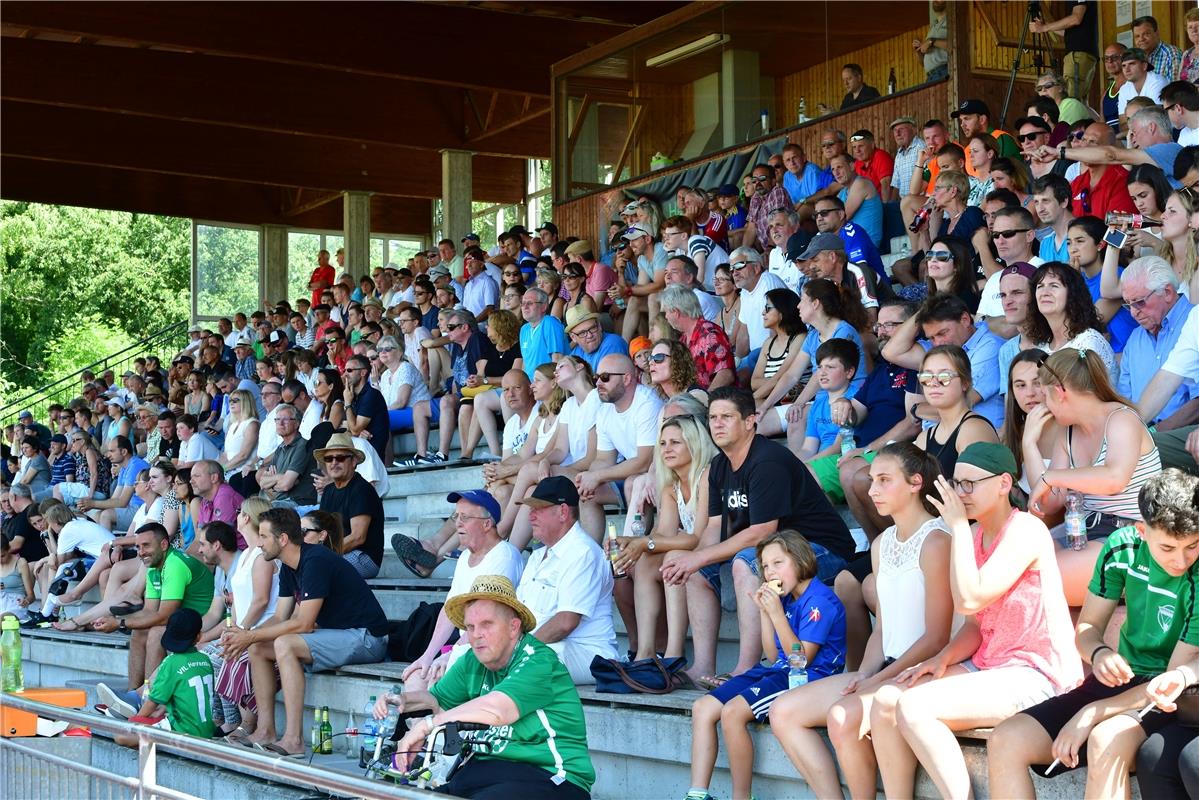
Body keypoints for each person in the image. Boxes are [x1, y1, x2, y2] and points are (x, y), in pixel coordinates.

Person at [870, 442, 1082, 799]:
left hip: (1037, 671)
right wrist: (942, 659)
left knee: (913, 706)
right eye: (956, 483)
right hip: (989, 664)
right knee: (886, 699)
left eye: (971, 484)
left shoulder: (1027, 530)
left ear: (1003, 484)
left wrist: (954, 526)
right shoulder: (971, 535)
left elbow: (970, 597)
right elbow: (972, 623)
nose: (960, 493)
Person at [990, 468, 1199, 799]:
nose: (1181, 560)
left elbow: (1171, 682)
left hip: (1173, 693)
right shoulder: (1121, 548)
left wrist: (1090, 714)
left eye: (1192, 546)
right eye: (1168, 547)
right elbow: (1086, 630)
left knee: (1105, 740)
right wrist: (1100, 654)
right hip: (1122, 680)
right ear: (1141, 530)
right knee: (1006, 739)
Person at [770, 443, 953, 800]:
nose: (872, 491)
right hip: (886, 666)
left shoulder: (936, 539)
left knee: (841, 717)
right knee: (783, 711)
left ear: (916, 483)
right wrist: (866, 674)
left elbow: (936, 637)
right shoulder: (882, 543)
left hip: (922, 670)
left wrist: (877, 678)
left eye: (884, 480)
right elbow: (883, 628)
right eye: (872, 480)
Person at [661, 386, 854, 684]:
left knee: (747, 561)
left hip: (822, 550)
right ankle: (702, 666)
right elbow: (714, 526)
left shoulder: (767, 460)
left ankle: (746, 669)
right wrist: (694, 560)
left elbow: (761, 533)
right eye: (713, 417)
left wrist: (697, 557)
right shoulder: (719, 466)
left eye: (727, 417)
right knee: (697, 571)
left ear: (750, 421)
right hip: (776, 552)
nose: (718, 424)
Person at [374, 574, 595, 799]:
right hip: (491, 770)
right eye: (470, 627)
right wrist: (403, 700)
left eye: (486, 625)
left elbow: (499, 709)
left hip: (554, 777)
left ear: (513, 627)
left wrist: (426, 726)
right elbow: (436, 700)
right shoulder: (473, 659)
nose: (476, 635)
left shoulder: (539, 660)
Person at [686, 531, 846, 800]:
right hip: (779, 670)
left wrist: (774, 614)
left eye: (778, 563)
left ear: (800, 560)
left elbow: (799, 660)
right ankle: (697, 794)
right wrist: (764, 612)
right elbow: (774, 656)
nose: (769, 572)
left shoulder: (819, 601)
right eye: (765, 566)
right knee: (702, 707)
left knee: (732, 712)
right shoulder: (786, 598)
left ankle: (742, 796)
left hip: (808, 677)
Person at [221, 507, 388, 757]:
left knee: (284, 644)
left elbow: (304, 624)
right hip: (340, 635)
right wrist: (244, 635)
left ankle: (294, 739)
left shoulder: (316, 559)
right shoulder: (290, 564)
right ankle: (266, 729)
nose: (259, 543)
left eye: (264, 536)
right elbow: (281, 616)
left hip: (367, 638)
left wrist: (251, 634)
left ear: (283, 539)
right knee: (257, 648)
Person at [1025, 348, 1162, 606]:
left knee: (1038, 582)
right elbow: (1048, 503)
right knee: (1017, 557)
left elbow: (1114, 478)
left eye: (1046, 397)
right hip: (1085, 531)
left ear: (1060, 393)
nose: (1045, 406)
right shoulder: (1067, 433)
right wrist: (1029, 445)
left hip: (1131, 536)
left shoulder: (1121, 419)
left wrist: (1052, 477)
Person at [403, 490, 523, 692]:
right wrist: (428, 656)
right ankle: (422, 724)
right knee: (416, 678)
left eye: (465, 517)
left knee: (437, 682)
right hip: (468, 646)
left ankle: (433, 724)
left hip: (493, 648)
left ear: (486, 524)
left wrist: (452, 655)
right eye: (456, 516)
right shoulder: (466, 557)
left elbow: (486, 619)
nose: (458, 523)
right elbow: (450, 609)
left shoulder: (504, 556)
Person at [92, 522, 215, 698]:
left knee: (157, 632)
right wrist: (112, 620)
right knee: (139, 631)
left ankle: (149, 697)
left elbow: (164, 617)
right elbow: (150, 610)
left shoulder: (174, 565)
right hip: (184, 620)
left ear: (164, 545)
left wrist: (119, 623)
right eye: (138, 547)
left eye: (146, 545)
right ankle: (132, 694)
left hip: (205, 621)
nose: (141, 552)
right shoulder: (154, 567)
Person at [514, 476, 618, 684]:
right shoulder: (536, 556)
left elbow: (565, 623)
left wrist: (517, 649)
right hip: (544, 646)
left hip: (587, 653)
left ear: (562, 512)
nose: (531, 516)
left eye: (538, 509)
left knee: (534, 660)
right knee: (471, 654)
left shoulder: (583, 552)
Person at [572, 354, 663, 541]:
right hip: (634, 474)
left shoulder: (647, 403)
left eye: (605, 377)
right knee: (588, 493)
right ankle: (592, 557)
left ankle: (630, 552)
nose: (598, 383)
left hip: (658, 473)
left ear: (627, 378)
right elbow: (604, 459)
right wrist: (589, 479)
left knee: (633, 482)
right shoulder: (605, 409)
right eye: (596, 378)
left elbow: (644, 461)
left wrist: (597, 476)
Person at [883, 292, 1006, 429]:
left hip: (977, 440)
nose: (938, 343)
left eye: (942, 333)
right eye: (932, 338)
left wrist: (917, 409)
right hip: (942, 437)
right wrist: (926, 309)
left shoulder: (990, 346)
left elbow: (960, 404)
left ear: (965, 319)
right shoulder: (944, 347)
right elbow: (891, 352)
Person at [1115, 257, 1196, 423]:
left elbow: (1197, 405)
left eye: (1139, 302)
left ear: (1167, 292)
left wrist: (1153, 434)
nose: (1133, 312)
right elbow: (1124, 400)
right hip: (1141, 431)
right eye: (1128, 304)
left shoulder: (1193, 321)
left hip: (1183, 438)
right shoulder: (1135, 338)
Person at [913, 345, 1000, 477]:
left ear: (965, 382)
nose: (934, 383)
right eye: (927, 377)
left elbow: (974, 493)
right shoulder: (923, 438)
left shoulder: (974, 429)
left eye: (944, 377)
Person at [1027, 261, 1117, 380]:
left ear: (1072, 294)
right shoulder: (1040, 347)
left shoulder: (1088, 341)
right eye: (1040, 286)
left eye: (1054, 285)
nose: (1044, 292)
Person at [315, 432, 384, 580]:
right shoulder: (328, 491)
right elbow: (321, 530)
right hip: (338, 552)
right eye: (328, 459)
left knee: (317, 567)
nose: (334, 463)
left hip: (364, 557)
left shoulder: (362, 489)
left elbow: (357, 537)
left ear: (353, 462)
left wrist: (323, 554)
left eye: (340, 458)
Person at [658, 285, 734, 391]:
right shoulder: (683, 340)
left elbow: (726, 374)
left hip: (718, 402)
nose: (665, 317)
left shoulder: (709, 335)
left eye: (666, 312)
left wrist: (704, 401)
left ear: (675, 312)